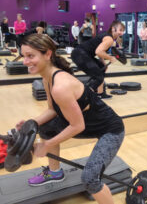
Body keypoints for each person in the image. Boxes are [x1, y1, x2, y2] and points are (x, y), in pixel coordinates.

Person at [18, 33, 124, 204]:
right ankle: (55, 173)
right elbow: (53, 110)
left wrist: (47, 145)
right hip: (88, 124)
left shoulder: (61, 86)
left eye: (31, 56)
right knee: (45, 127)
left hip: (110, 130)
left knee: (89, 179)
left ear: (47, 54)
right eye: (24, 56)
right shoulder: (48, 78)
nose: (25, 61)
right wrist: (33, 122)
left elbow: (77, 125)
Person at [71, 20, 125, 99]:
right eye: (120, 30)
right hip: (80, 54)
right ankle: (83, 99)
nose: (121, 33)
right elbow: (98, 52)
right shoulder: (109, 39)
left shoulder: (107, 35)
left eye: (123, 31)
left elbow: (100, 51)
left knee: (101, 69)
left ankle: (101, 93)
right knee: (98, 77)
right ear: (113, 29)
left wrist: (103, 63)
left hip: (83, 54)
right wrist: (110, 58)